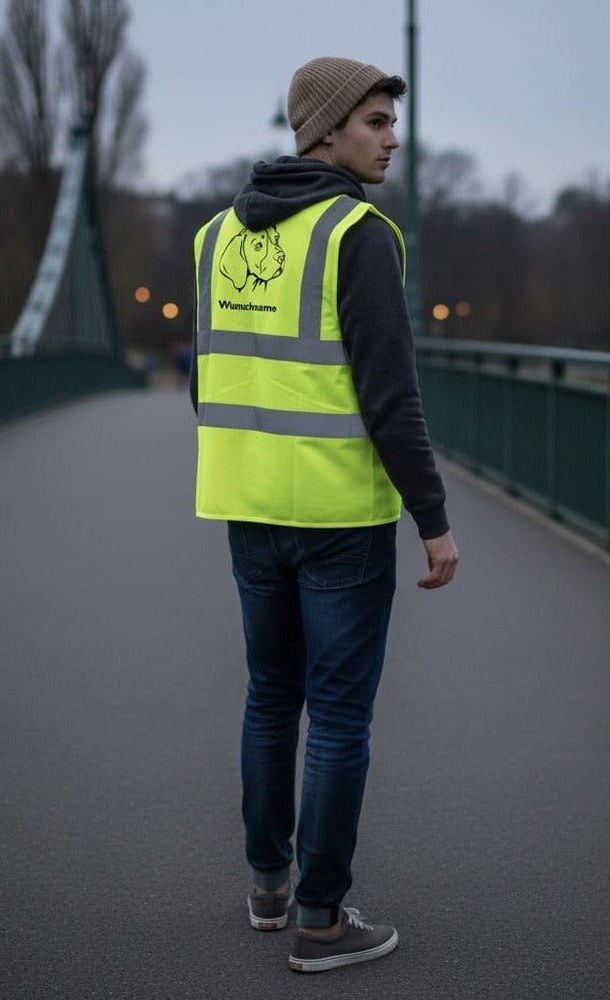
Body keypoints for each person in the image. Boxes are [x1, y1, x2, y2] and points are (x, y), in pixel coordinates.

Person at [190, 55, 459, 973]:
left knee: (271, 696)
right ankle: (322, 919)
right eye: (376, 122)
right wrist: (432, 517)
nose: (393, 139)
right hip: (340, 514)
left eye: (392, 121)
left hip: (248, 504)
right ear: (326, 129)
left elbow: (208, 379)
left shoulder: (215, 235)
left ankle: (269, 886)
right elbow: (392, 397)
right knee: (339, 718)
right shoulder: (358, 234)